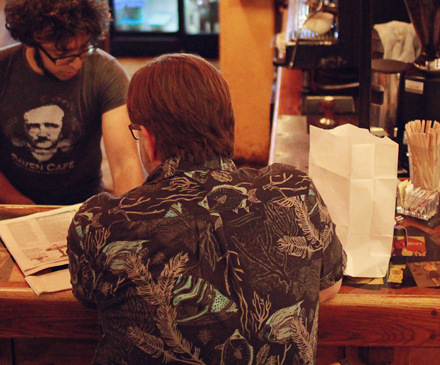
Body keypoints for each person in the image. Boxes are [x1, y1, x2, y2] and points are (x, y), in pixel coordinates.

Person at [68, 53, 346, 365]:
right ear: (228, 123)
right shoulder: (293, 190)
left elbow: (87, 297)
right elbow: (330, 283)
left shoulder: (100, 221)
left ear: (147, 138)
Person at [0, 0, 144, 205]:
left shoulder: (106, 73)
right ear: (30, 42)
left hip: (83, 204)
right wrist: (27, 209)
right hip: (10, 205)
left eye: (83, 50)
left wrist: (129, 215)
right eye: (63, 54)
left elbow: (124, 161)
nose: (76, 64)